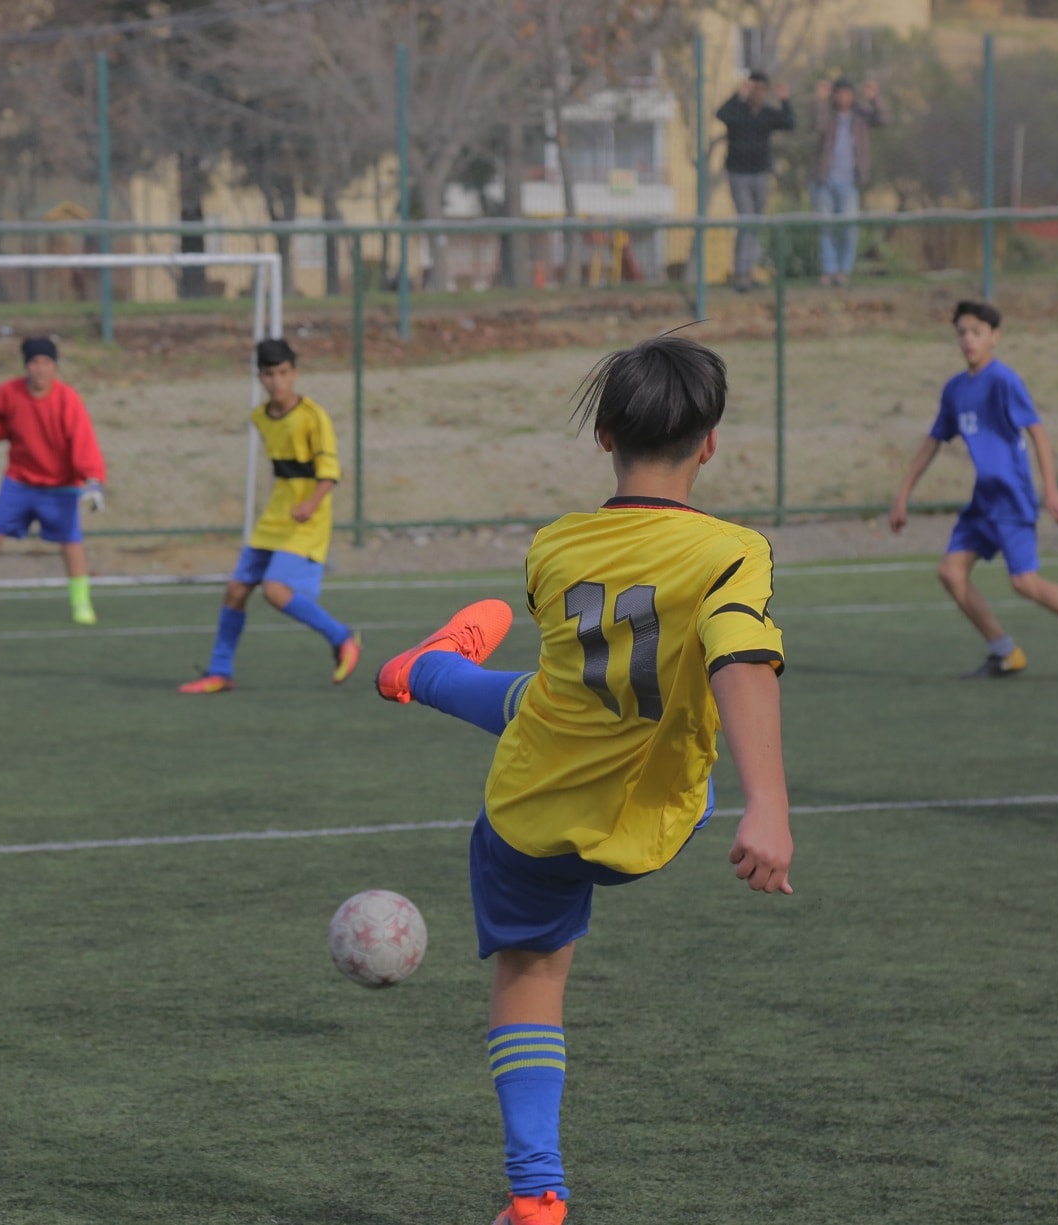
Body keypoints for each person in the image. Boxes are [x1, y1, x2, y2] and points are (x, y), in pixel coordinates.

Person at [372, 335, 794, 1225]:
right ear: (710, 442)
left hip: (530, 809)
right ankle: (426, 669)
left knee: (530, 964)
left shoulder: (553, 549)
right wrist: (767, 805)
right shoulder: (732, 552)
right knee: (586, 701)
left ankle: (535, 1196)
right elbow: (741, 659)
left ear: (602, 436)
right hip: (654, 818)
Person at [889, 300, 1058, 680]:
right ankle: (1005, 652)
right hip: (982, 501)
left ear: (995, 337)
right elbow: (934, 440)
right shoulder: (955, 389)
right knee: (952, 573)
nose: (968, 340)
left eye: (977, 332)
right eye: (962, 333)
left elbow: (1037, 431)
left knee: (1025, 582)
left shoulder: (1004, 381)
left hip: (1011, 497)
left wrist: (1051, 490)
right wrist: (903, 494)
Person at [179, 338, 361, 693]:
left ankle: (342, 638)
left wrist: (310, 503)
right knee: (236, 590)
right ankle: (220, 671)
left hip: (309, 515)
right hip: (276, 515)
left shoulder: (313, 416)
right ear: (260, 377)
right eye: (268, 374)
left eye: (282, 373)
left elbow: (330, 472)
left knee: (275, 591)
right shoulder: (260, 417)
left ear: (294, 373)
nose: (276, 381)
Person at [0, 336, 105, 626]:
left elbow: (83, 442)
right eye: (34, 363)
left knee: (71, 541)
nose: (40, 369)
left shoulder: (67, 400)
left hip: (60, 486)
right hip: (19, 481)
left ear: (55, 367)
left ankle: (81, 603)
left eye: (46, 363)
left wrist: (92, 479)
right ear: (26, 366)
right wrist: (2, 431)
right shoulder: (11, 393)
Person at [714, 70, 795, 292]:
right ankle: (740, 272)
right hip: (738, 174)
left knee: (755, 223)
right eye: (753, 88)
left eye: (761, 89)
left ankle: (748, 271)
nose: (757, 93)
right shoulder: (737, 111)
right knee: (747, 220)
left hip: (760, 174)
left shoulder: (767, 113)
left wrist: (785, 99)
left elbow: (789, 123)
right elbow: (720, 114)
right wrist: (738, 95)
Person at [810, 76, 888, 287]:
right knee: (826, 227)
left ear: (852, 96)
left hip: (849, 181)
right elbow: (817, 125)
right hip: (824, 180)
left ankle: (844, 271)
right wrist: (820, 100)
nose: (843, 97)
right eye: (839, 93)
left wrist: (874, 99)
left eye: (847, 93)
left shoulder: (860, 116)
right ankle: (829, 270)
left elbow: (883, 119)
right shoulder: (829, 115)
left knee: (849, 228)